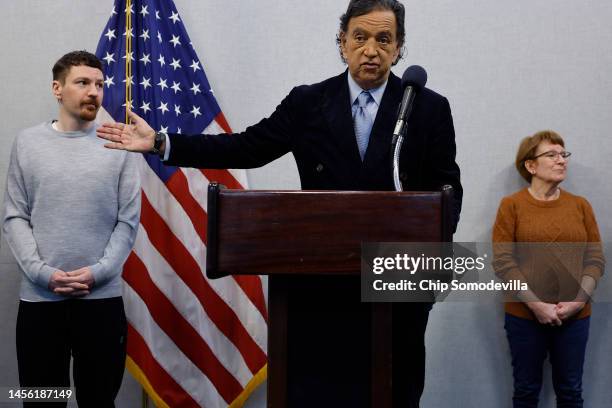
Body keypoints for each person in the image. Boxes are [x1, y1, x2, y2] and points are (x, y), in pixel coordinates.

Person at [97, 0, 461, 406]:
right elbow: (246, 148)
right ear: (342, 43)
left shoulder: (427, 107)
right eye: (359, 38)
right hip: (321, 282)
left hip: (397, 280)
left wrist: (432, 256)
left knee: (395, 391)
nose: (371, 50)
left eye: (383, 39)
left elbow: (448, 190)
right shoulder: (309, 102)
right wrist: (164, 142)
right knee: (324, 392)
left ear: (399, 48)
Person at [2, 50, 141, 407]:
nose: (94, 91)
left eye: (99, 84)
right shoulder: (27, 143)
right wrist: (41, 273)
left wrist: (98, 273)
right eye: (82, 82)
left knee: (98, 399)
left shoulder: (119, 143)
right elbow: (15, 216)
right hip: (40, 300)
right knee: (42, 399)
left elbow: (127, 221)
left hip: (101, 301)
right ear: (57, 88)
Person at [492, 130, 604, 408]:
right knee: (527, 391)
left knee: (570, 392)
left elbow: (595, 259)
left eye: (563, 154)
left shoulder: (580, 206)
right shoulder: (512, 206)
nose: (561, 160)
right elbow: (503, 262)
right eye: (551, 155)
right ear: (531, 165)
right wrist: (537, 305)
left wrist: (578, 301)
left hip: (575, 317)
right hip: (524, 316)